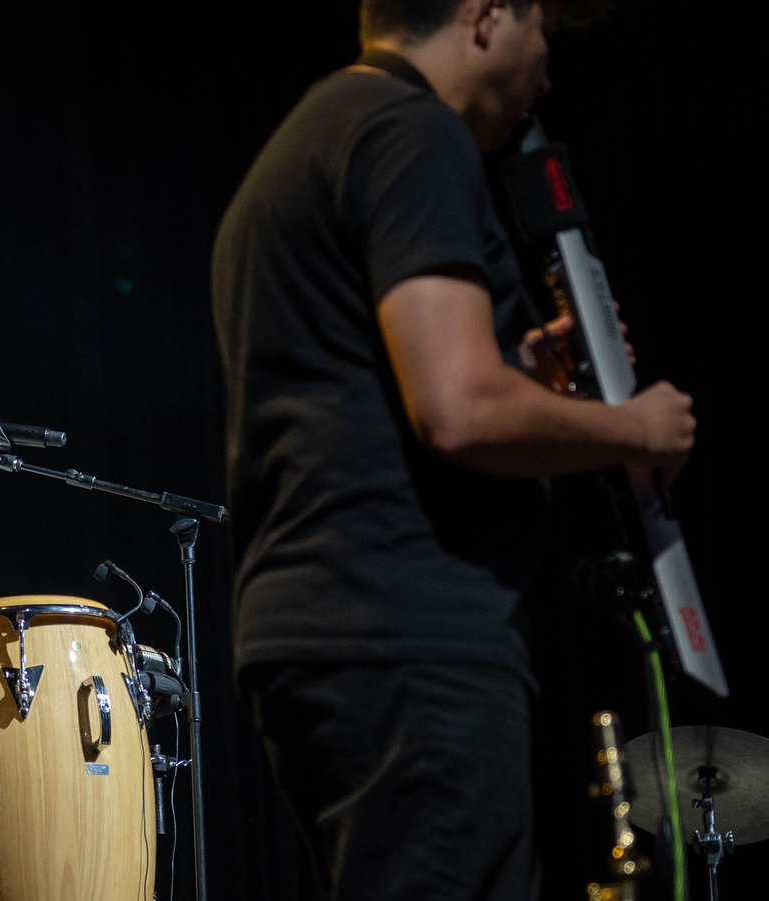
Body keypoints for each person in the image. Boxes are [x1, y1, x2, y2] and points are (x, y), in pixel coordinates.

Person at [211, 0, 692, 898]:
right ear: (484, 14)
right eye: (542, 29)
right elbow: (459, 409)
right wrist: (637, 426)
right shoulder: (409, 131)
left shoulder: (313, 139)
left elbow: (383, 390)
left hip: (325, 633)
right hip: (408, 635)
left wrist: (521, 373)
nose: (548, 72)